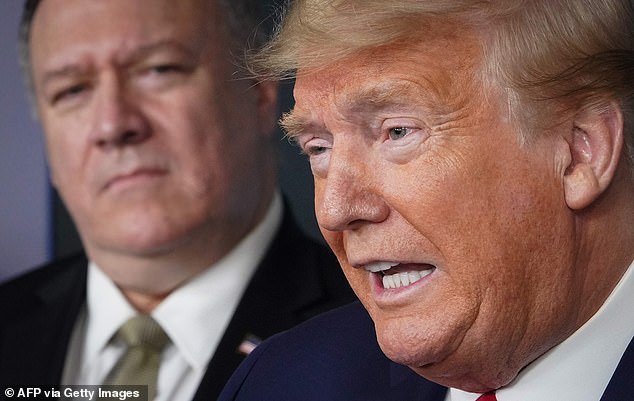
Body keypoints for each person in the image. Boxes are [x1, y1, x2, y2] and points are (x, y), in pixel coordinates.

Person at [218, 0, 634, 400]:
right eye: (318, 148)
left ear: (580, 152)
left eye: (397, 132)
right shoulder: (281, 382)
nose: (336, 210)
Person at [0, 0, 354, 400]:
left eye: (158, 70)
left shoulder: (376, 336)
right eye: (72, 90)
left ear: (259, 89)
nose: (113, 125)